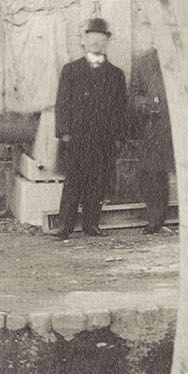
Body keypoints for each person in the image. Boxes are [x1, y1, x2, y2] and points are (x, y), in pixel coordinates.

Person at [52, 16, 131, 238]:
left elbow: (120, 109)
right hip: (77, 137)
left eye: (101, 38)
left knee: (98, 181)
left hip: (103, 138)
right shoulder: (71, 70)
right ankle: (64, 226)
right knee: (73, 181)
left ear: (106, 42)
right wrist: (64, 132)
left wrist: (119, 137)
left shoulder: (116, 75)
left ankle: (91, 224)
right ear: (84, 41)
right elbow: (62, 103)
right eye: (92, 37)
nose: (96, 42)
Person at [128, 46, 174, 234]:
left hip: (184, 125)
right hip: (155, 127)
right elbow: (134, 93)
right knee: (155, 175)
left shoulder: (184, 53)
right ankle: (156, 220)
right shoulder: (143, 60)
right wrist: (145, 105)